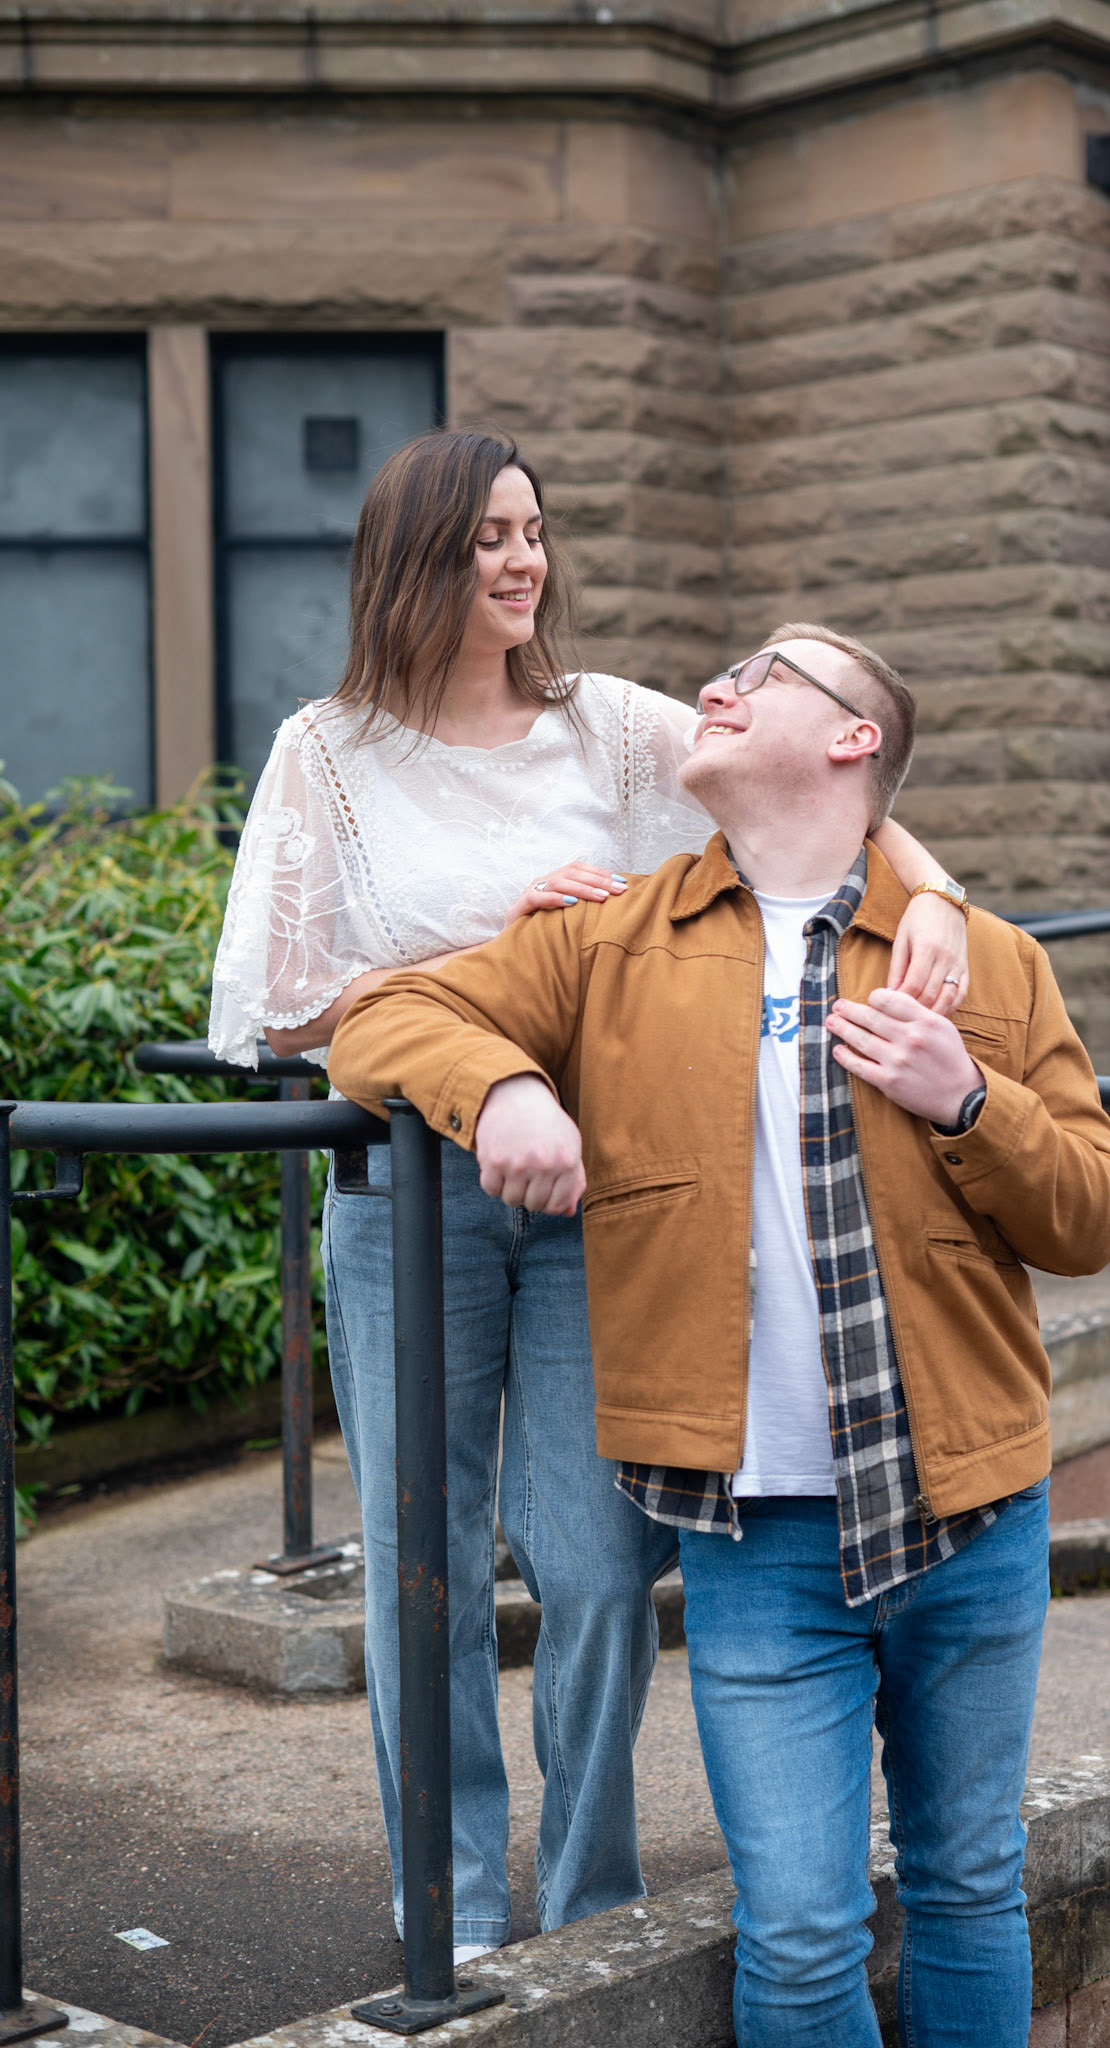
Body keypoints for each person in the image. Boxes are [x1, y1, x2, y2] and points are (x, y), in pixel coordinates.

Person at [207, 432, 971, 1964]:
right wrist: (496, 948)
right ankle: (449, 1916)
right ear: (415, 555)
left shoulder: (607, 727)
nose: (522, 562)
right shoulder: (327, 751)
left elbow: (825, 791)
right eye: (487, 536)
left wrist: (937, 895)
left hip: (589, 1192)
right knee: (423, 1560)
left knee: (602, 1562)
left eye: (533, 533)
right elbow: (281, 1011)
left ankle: (586, 1911)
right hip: (409, 1186)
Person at [327, 620, 1110, 2047]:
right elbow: (385, 1014)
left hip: (971, 1512)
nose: (722, 682)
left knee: (967, 1886)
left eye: (770, 673)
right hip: (754, 1540)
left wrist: (969, 1101)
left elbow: (1093, 1213)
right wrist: (502, 1087)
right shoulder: (610, 944)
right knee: (802, 1936)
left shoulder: (985, 962)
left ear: (853, 738)